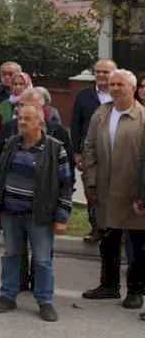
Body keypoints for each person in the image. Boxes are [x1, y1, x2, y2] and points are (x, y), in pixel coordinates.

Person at [0, 103, 72, 322]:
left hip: (40, 215)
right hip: (10, 213)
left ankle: (45, 301)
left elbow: (65, 185)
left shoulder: (55, 148)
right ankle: (7, 295)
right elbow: (0, 177)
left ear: (40, 122)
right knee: (11, 255)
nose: (21, 122)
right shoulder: (11, 144)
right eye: (19, 118)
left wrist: (62, 217)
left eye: (27, 119)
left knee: (43, 260)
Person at [80, 69, 145, 311]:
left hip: (132, 193)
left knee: (137, 245)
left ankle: (136, 290)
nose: (115, 88)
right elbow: (89, 148)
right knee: (108, 240)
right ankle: (108, 285)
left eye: (120, 84)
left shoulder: (142, 117)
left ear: (133, 87)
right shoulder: (102, 114)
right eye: (112, 84)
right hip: (105, 190)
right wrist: (91, 181)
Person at [72, 59, 115, 244]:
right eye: (98, 72)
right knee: (92, 191)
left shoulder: (120, 93)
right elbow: (75, 124)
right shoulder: (84, 95)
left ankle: (114, 230)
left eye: (106, 72)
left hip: (115, 153)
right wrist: (77, 153)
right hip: (90, 153)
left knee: (115, 192)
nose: (101, 75)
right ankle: (96, 228)